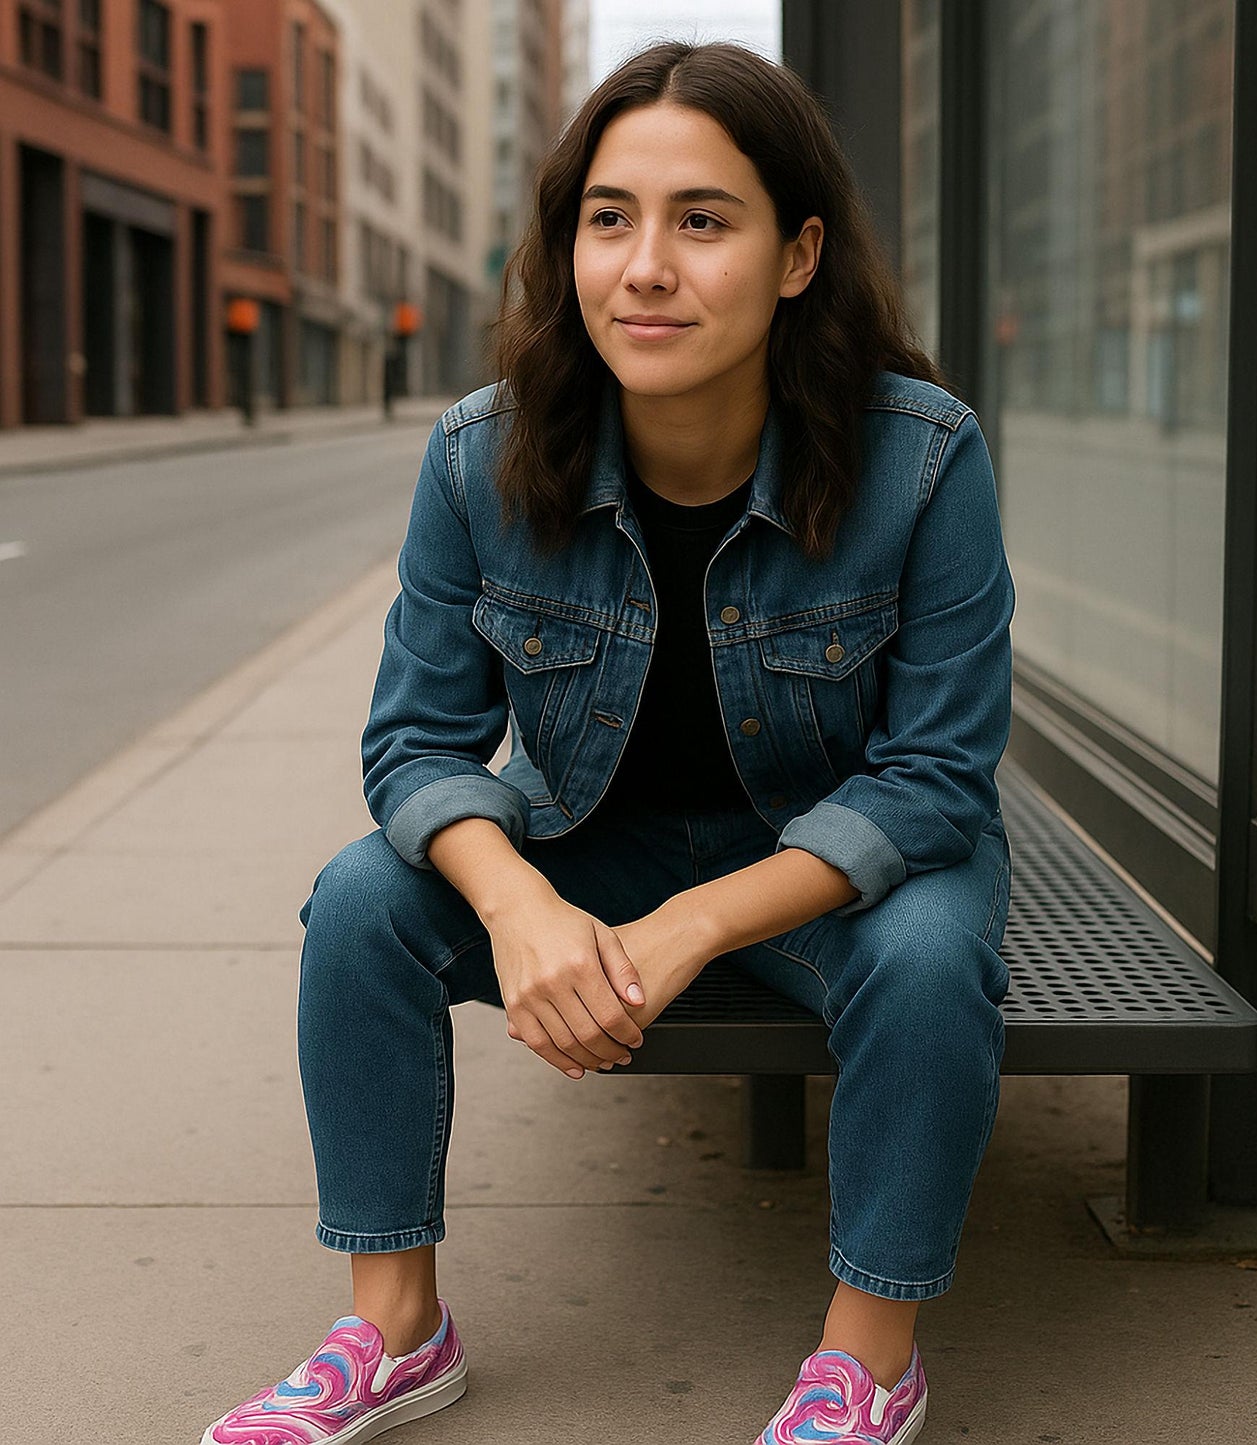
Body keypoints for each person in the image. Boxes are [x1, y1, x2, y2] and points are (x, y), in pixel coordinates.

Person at [200, 39, 1014, 1445]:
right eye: (609, 217)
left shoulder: (921, 457)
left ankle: (867, 1355)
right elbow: (415, 743)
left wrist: (694, 920)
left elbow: (935, 779)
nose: (646, 265)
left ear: (797, 253)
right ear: (567, 246)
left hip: (829, 868)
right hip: (589, 842)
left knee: (934, 953)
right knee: (358, 903)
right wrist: (518, 906)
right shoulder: (480, 455)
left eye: (702, 220)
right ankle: (396, 1323)